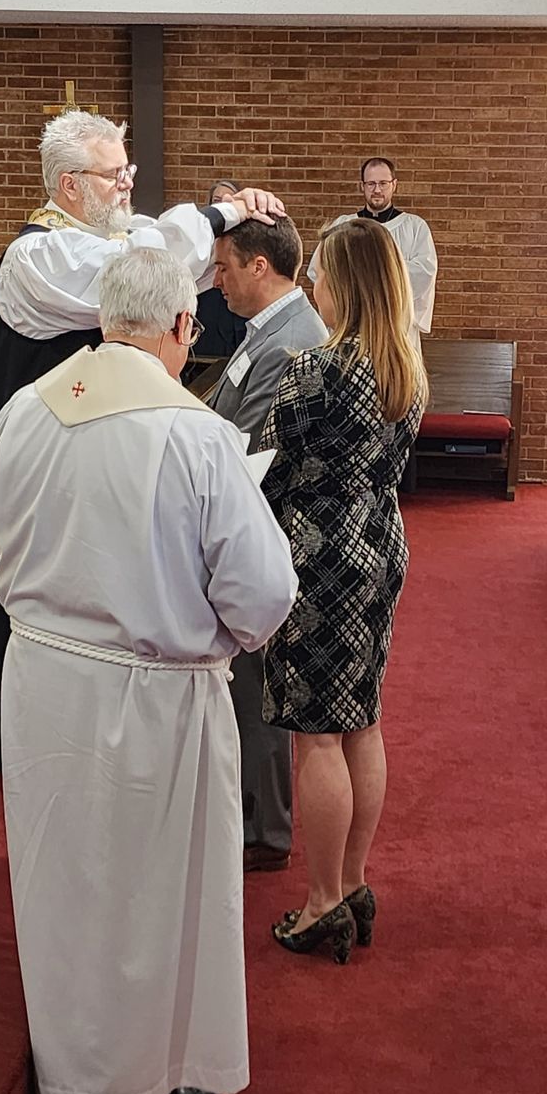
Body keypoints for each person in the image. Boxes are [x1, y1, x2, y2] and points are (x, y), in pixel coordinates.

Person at [0, 248, 298, 1094]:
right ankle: (146, 1078)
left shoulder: (23, 411)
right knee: (155, 892)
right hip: (152, 700)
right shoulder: (193, 433)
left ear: (99, 320)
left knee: (63, 880)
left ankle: (65, 1065)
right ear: (183, 328)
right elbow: (265, 592)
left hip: (40, 680)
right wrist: (218, 639)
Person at [0, 111, 284, 768]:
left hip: (105, 458)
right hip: (54, 457)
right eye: (115, 175)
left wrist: (226, 219)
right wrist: (218, 214)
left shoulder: (120, 236)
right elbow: (137, 268)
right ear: (68, 186)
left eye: (127, 171)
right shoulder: (36, 255)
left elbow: (165, 262)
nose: (126, 187)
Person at [261, 218, 427, 963]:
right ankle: (353, 880)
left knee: (318, 734)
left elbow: (270, 467)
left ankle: (322, 899)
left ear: (346, 285)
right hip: (379, 543)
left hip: (319, 556)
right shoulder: (403, 367)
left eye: (321, 274)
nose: (312, 285)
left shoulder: (318, 370)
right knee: (362, 718)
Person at [206, 215, 329, 872]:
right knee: (247, 684)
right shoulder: (267, 329)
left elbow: (246, 448)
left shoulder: (290, 340)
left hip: (266, 527)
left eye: (224, 266)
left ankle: (264, 830)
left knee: (257, 688)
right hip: (251, 519)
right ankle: (254, 815)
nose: (215, 279)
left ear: (260, 265)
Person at [309, 156, 438, 347]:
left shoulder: (414, 227)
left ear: (394, 185)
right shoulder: (343, 225)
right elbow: (319, 270)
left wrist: (365, 274)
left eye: (383, 183)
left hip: (395, 326)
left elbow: (425, 272)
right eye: (371, 183)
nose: (377, 190)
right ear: (362, 186)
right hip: (351, 326)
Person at [194, 181, 249, 358]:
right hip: (200, 300)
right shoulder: (200, 234)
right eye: (216, 200)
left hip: (227, 306)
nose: (222, 204)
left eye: (229, 200)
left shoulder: (243, 236)